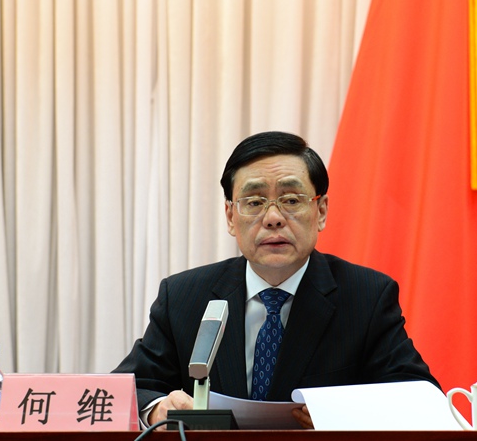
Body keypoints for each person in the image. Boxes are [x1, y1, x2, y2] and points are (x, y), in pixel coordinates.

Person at [113, 131, 440, 429]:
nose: (272, 218)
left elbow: (419, 399)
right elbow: (125, 391)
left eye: (291, 201)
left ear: (321, 211)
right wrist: (156, 411)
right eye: (254, 202)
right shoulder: (184, 297)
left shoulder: (366, 297)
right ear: (230, 216)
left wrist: (340, 414)